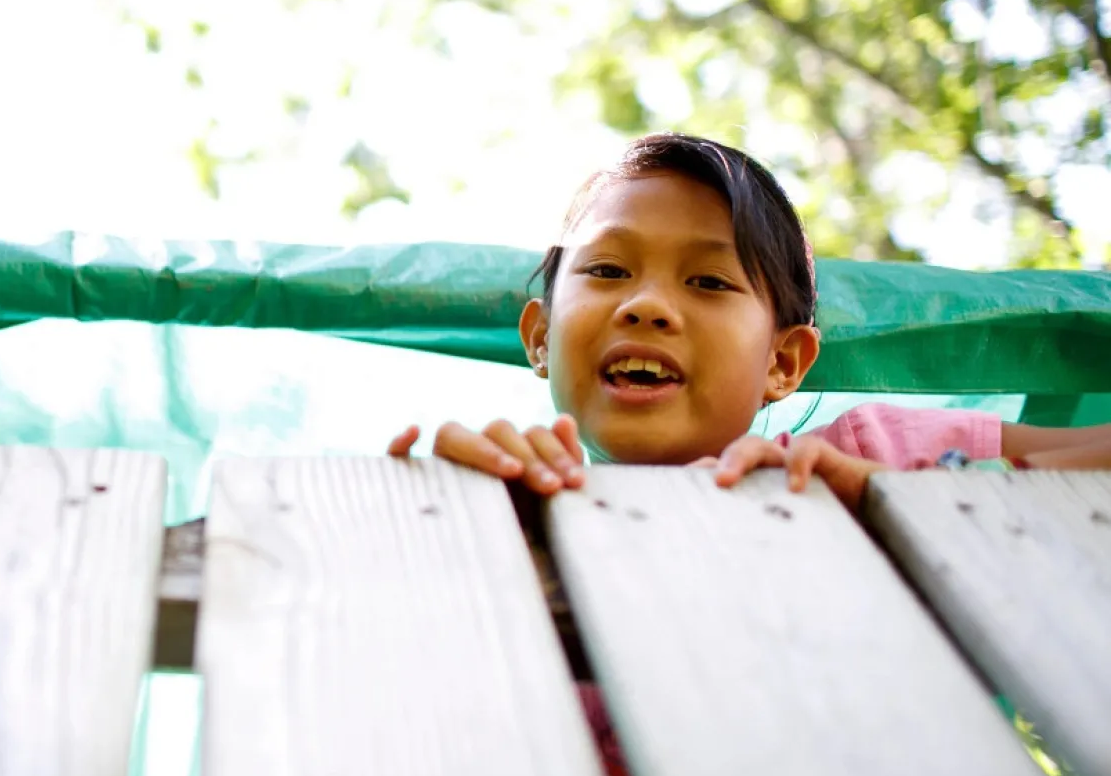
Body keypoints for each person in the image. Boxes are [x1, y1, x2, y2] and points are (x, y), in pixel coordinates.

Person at [390, 132, 1111, 508]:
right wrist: (448, 520)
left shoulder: (868, 455)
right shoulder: (510, 495)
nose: (646, 305)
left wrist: (888, 497)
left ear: (785, 362)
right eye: (608, 271)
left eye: (707, 280)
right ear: (540, 336)